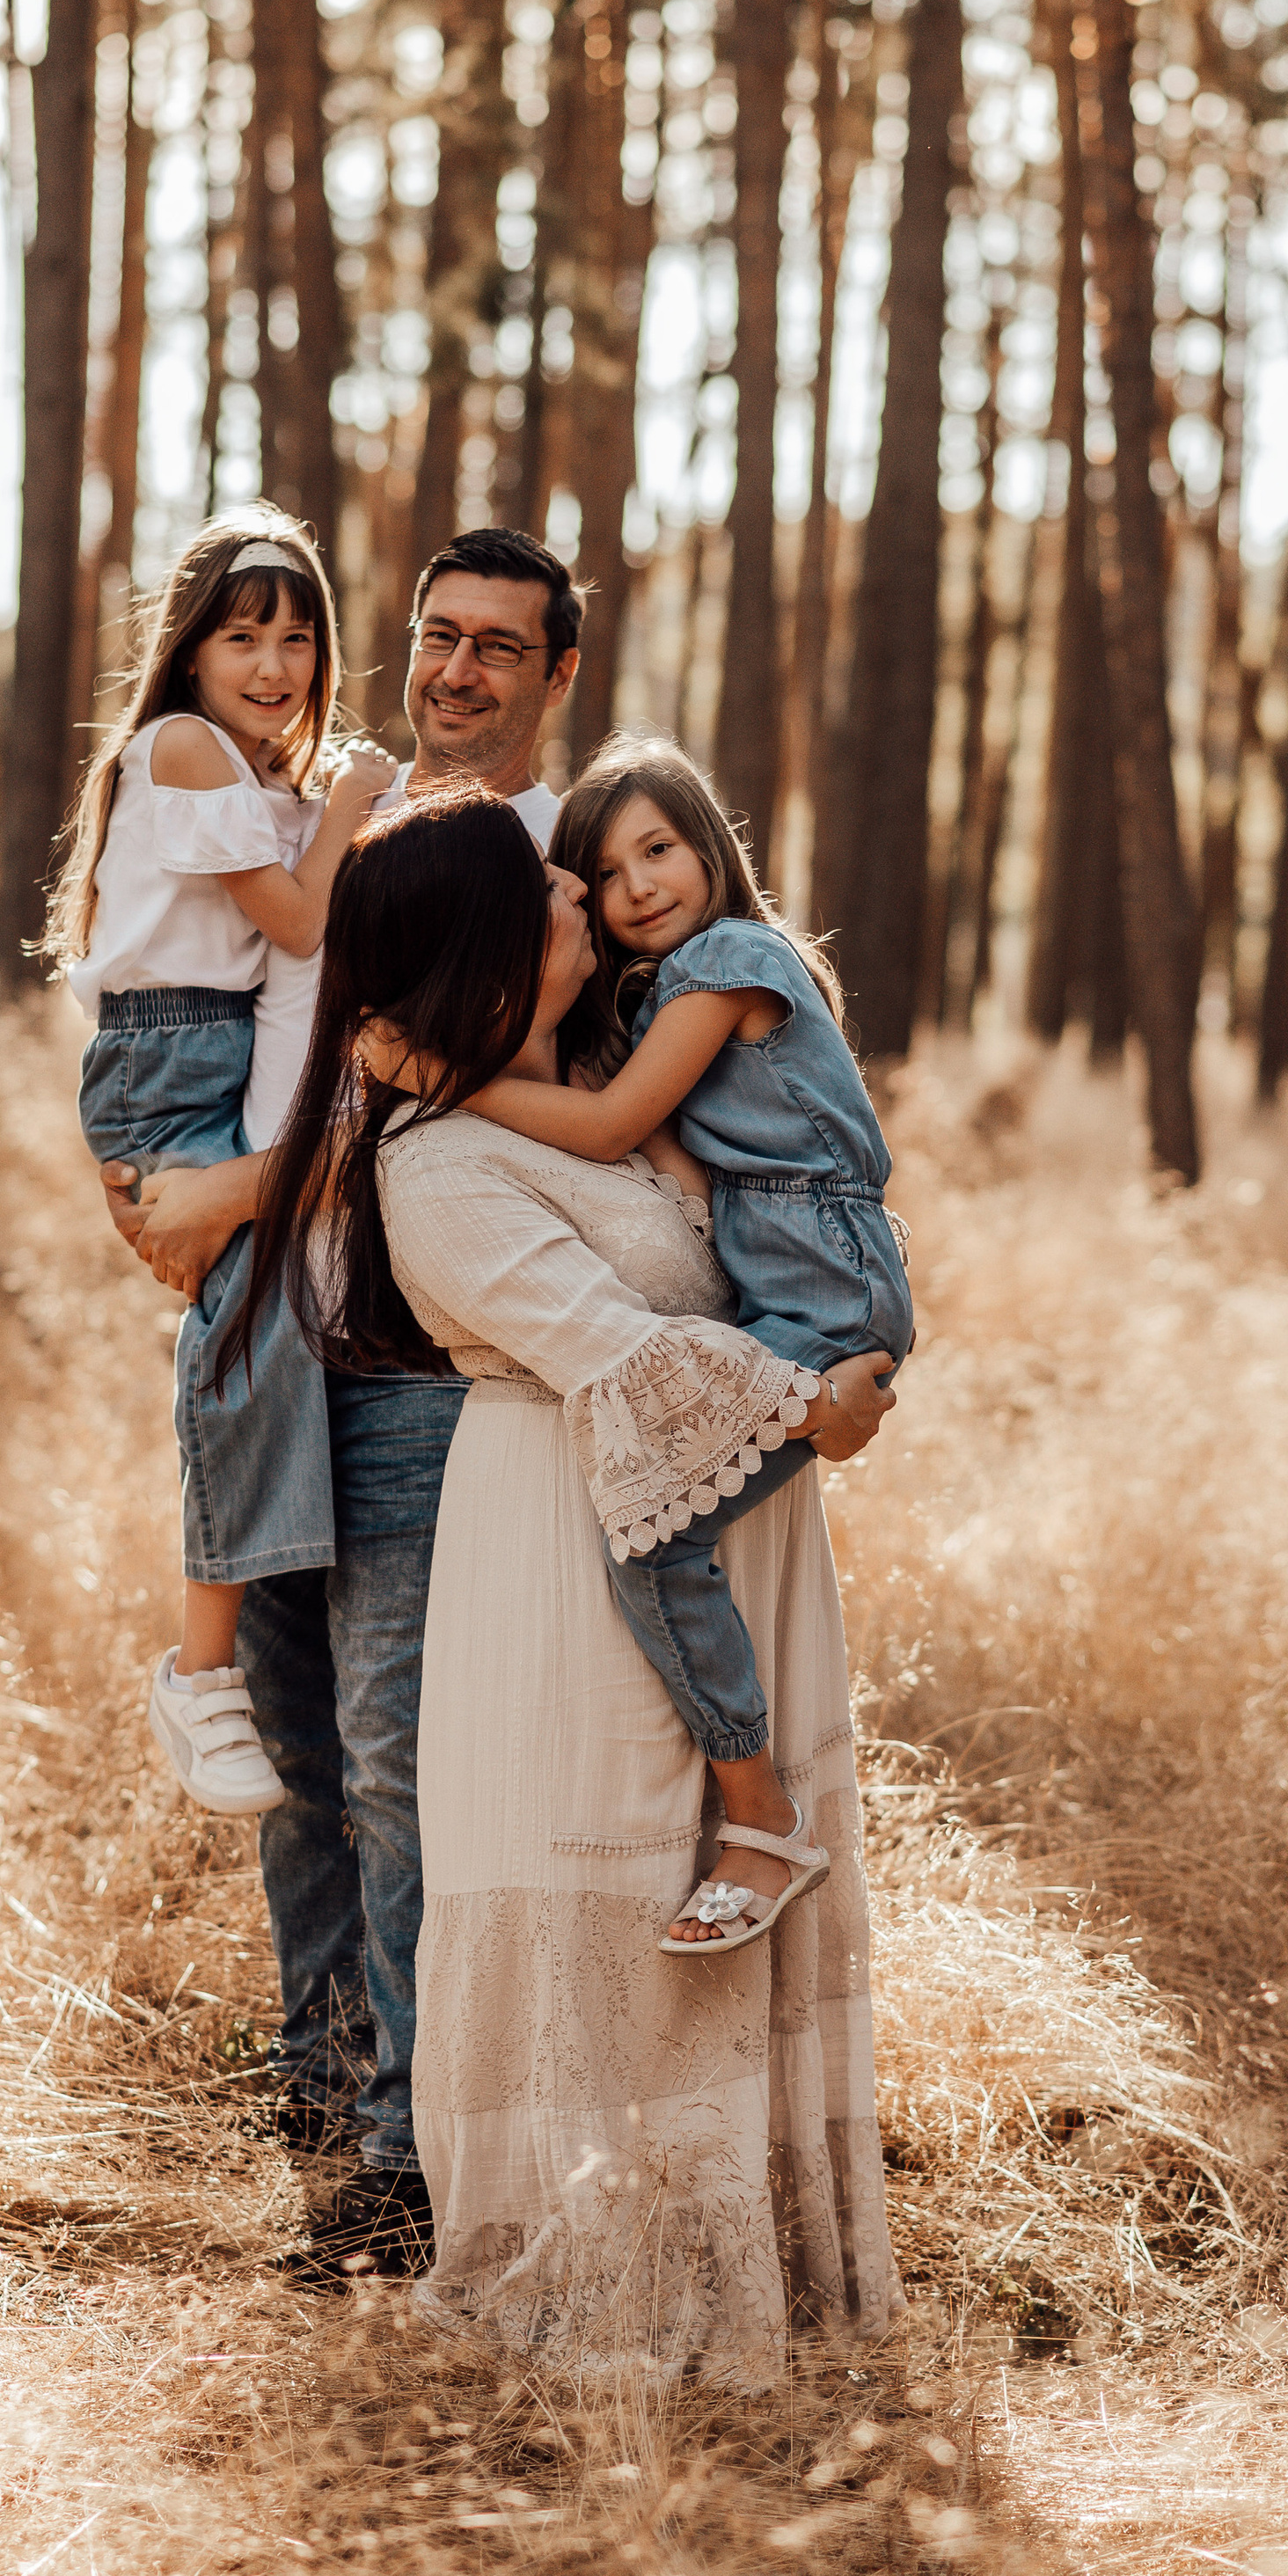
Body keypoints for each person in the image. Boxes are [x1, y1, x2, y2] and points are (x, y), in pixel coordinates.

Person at [245, 789, 905, 2380]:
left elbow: (768, 1225)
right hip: (565, 1544)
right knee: (606, 1870)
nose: (578, 892)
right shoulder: (439, 1166)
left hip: (724, 1523)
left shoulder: (626, 1072)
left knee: (721, 1872)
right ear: (480, 953)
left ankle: (753, 2260)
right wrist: (817, 1403)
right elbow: (619, 1353)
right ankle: (599, 2279)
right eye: (543, 890)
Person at [105, 526, 583, 2272]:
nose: (453, 670)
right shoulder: (336, 829)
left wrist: (238, 1191)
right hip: (271, 1345)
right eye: (435, 636)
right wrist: (154, 1179)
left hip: (415, 1369)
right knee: (300, 1760)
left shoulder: (547, 859)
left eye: (497, 649)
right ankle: (324, 2084)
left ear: (556, 679)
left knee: (393, 1759)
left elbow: (432, 1095)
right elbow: (215, 1009)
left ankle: (412, 2147)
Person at [465, 736, 913, 1954]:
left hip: (822, 1305)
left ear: (711, 844)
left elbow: (610, 1123)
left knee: (659, 1534)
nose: (639, 887)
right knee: (667, 1523)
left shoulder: (730, 960)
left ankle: (762, 1819)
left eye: (658, 848)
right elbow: (647, 1151)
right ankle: (749, 1801)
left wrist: (448, 1081)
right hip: (790, 1294)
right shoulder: (666, 998)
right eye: (607, 874)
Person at [52, 509, 394, 1811]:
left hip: (206, 1063)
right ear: (190, 650)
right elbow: (298, 920)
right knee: (252, 1326)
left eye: (299, 636)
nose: (276, 662)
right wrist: (355, 798)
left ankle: (221, 1657)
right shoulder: (188, 749)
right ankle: (199, 1674)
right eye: (244, 633)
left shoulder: (256, 785)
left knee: (275, 1331)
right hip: (167, 1060)